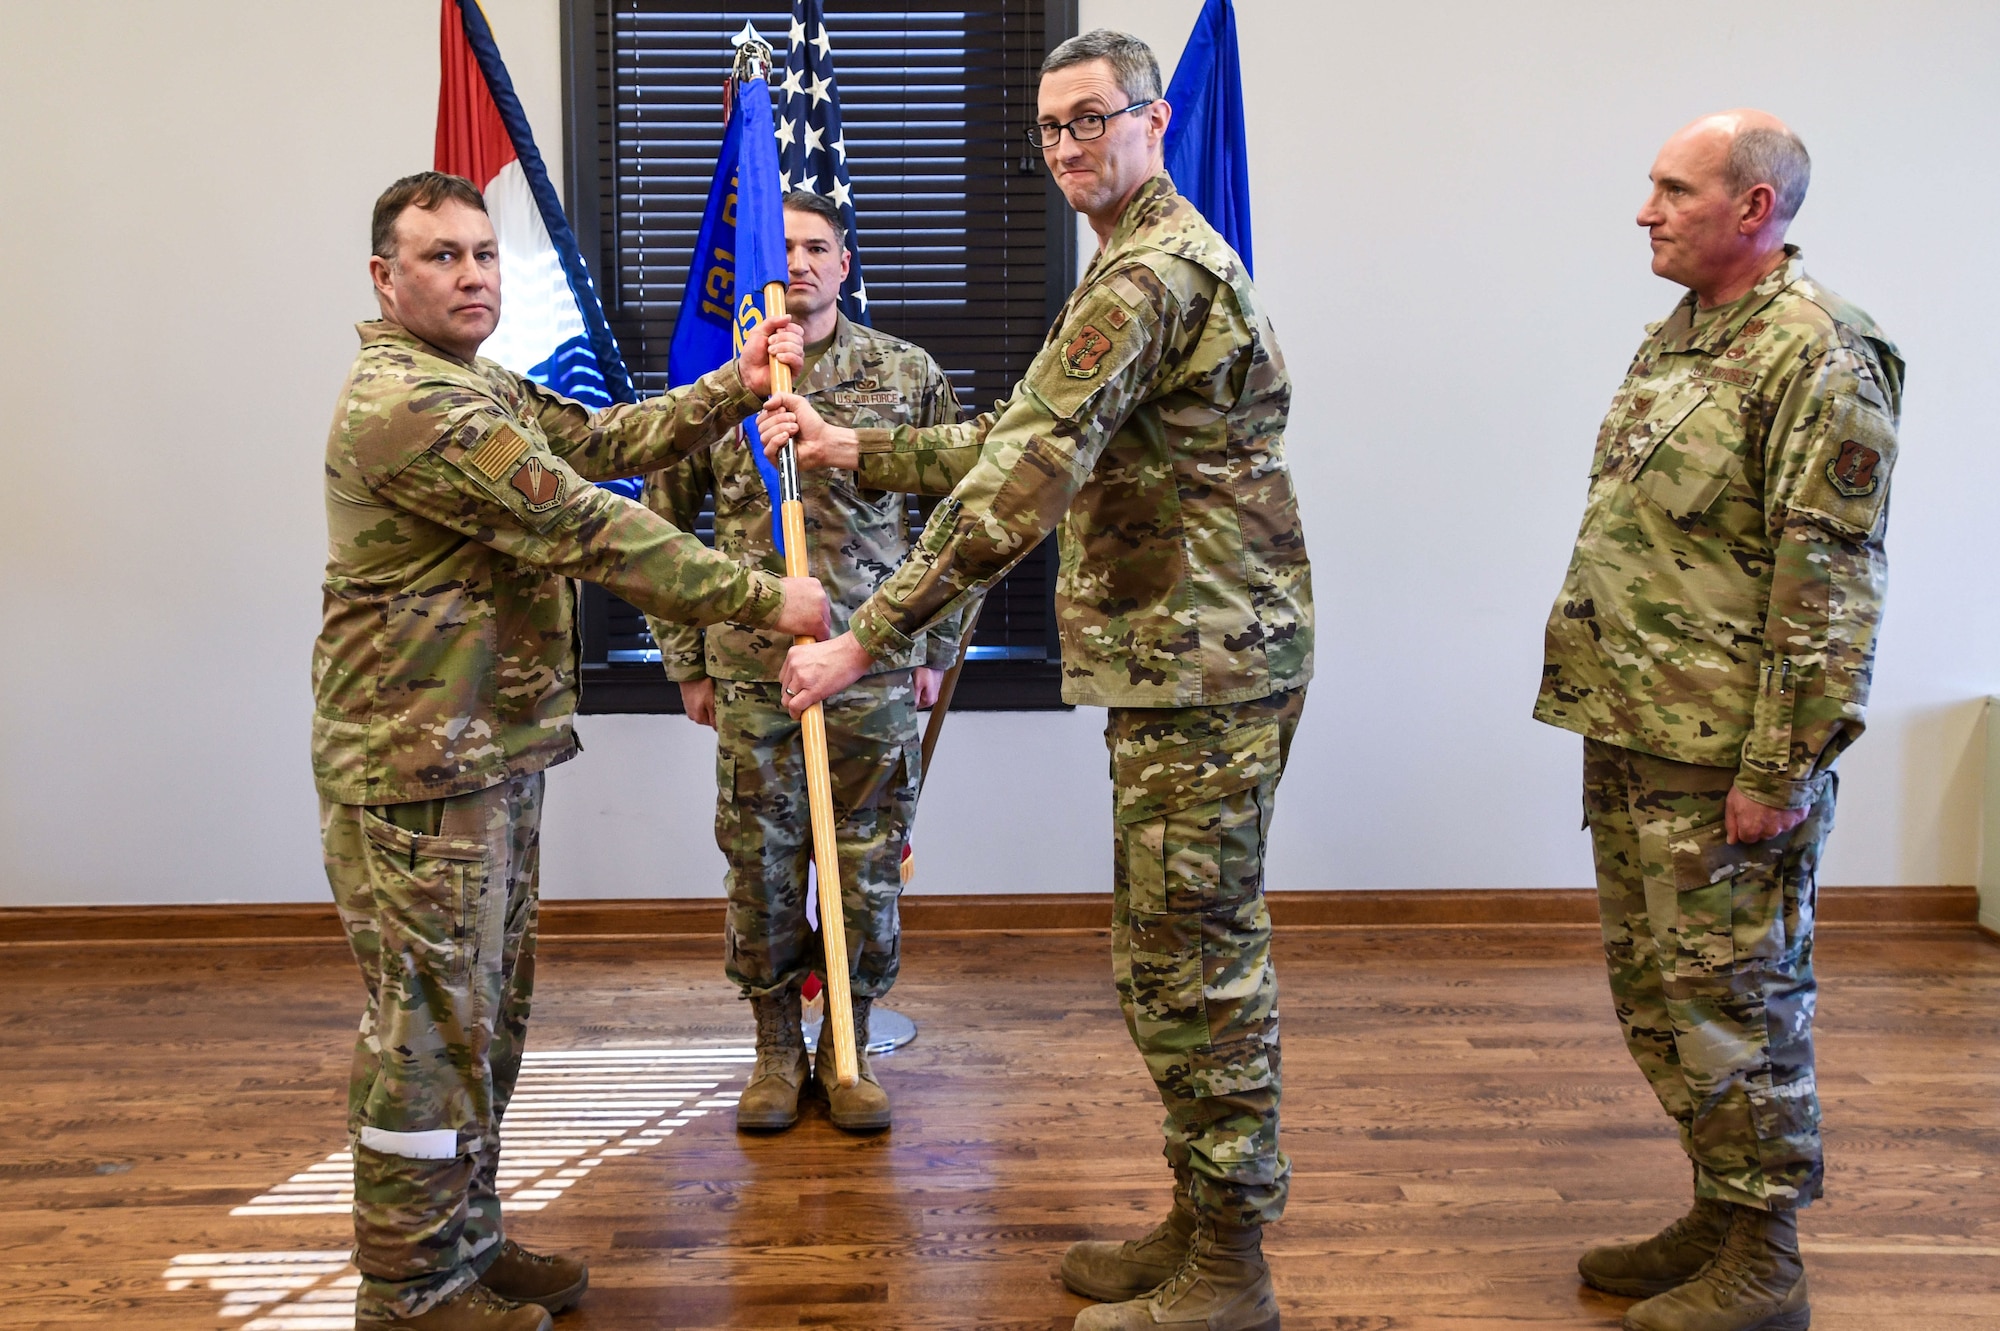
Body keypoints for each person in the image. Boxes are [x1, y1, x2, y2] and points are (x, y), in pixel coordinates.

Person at [762, 30, 1311, 1331]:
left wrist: (865, 635)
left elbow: (1020, 482)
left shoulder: (1148, 275)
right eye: (1051, 128)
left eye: (1091, 120)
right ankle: (1200, 1217)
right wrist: (855, 442)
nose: (1068, 147)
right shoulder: (1126, 264)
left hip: (1205, 663)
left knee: (1196, 961)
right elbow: (1011, 431)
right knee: (1170, 953)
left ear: (1154, 120)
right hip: (1186, 660)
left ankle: (1230, 1261)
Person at [314, 171, 828, 1331]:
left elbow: (595, 441)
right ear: (385, 277)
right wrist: (765, 597)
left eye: (484, 253)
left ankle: (467, 1239)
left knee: (483, 1018)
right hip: (416, 768)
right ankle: (408, 1288)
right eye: (441, 256)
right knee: (426, 1032)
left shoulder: (475, 380)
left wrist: (730, 388)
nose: (472, 274)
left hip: (482, 753)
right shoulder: (408, 404)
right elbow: (583, 519)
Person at [1535, 112, 1901, 1331]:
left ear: (1753, 207)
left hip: (1723, 759)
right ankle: (1718, 1206)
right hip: (1636, 725)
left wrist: (1779, 764)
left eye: (1672, 189)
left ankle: (1766, 1258)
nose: (1644, 210)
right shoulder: (1685, 339)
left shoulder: (1822, 355)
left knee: (1739, 998)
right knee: (1657, 993)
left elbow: (1827, 582)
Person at [642, 190, 967, 1134]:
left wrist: (932, 646)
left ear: (845, 263)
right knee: (763, 867)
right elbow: (659, 525)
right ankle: (777, 1050)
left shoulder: (905, 375)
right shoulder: (719, 378)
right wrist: (686, 662)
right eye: (781, 248)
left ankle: (849, 1049)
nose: (801, 263)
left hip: (870, 664)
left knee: (864, 869)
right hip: (753, 673)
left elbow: (963, 516)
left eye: (818, 247)